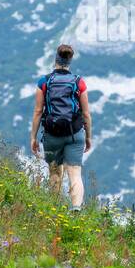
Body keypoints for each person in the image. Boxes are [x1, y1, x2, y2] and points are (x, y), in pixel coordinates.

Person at [30, 44, 92, 208]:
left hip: (51, 135)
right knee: (75, 174)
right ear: (70, 61)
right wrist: (88, 137)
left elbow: (38, 111)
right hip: (74, 134)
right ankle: (76, 210)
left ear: (56, 59)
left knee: (55, 174)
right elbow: (86, 114)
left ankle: (53, 209)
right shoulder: (79, 82)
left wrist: (33, 137)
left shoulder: (44, 81)